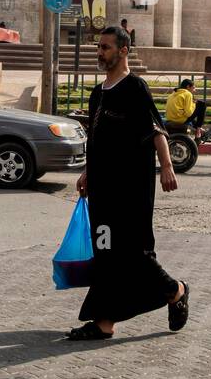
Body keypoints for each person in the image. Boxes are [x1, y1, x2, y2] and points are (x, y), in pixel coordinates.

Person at [65, 26, 189, 341]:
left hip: (132, 190)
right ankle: (104, 323)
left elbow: (155, 128)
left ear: (123, 51)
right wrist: (88, 173)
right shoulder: (98, 93)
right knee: (106, 253)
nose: (100, 53)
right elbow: (96, 139)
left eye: (105, 47)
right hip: (103, 192)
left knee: (135, 253)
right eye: (98, 47)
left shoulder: (135, 88)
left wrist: (167, 166)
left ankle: (175, 291)